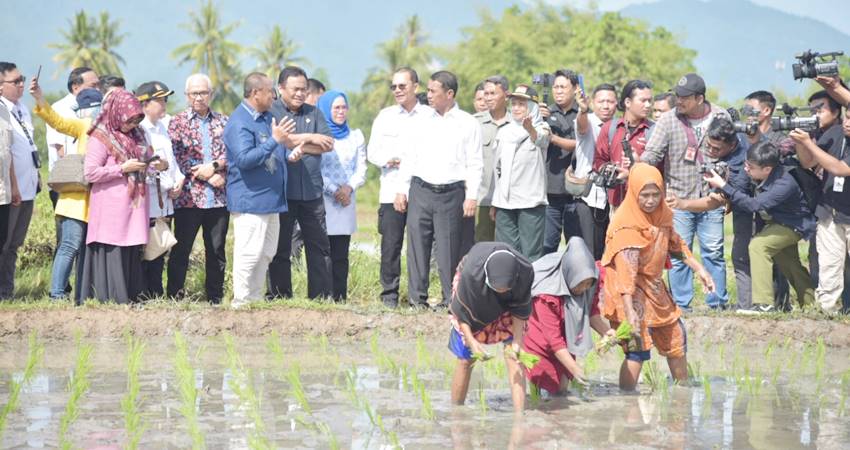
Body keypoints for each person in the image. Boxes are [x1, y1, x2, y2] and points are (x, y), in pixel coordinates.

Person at [601, 163, 715, 391]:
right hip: (628, 292)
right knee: (637, 347)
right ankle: (627, 398)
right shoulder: (626, 226)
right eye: (644, 195)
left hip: (653, 286)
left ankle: (683, 391)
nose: (651, 200)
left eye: (656, 194)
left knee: (676, 336)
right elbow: (626, 275)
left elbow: (675, 244)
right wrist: (630, 312)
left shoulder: (662, 214)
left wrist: (699, 269)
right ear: (634, 192)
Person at [641, 73, 729, 310]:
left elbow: (733, 152)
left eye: (684, 97)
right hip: (677, 199)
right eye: (677, 96)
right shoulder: (668, 120)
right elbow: (652, 154)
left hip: (712, 198)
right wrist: (638, 169)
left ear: (700, 98)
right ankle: (682, 305)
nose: (678, 101)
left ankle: (717, 303)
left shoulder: (721, 116)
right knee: (679, 254)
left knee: (714, 252)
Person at [397, 70, 483, 308]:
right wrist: (401, 189)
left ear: (450, 93)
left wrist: (472, 196)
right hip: (420, 189)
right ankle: (417, 300)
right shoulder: (421, 120)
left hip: (451, 193)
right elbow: (409, 157)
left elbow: (475, 163)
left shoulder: (467, 123)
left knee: (449, 250)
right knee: (417, 246)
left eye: (433, 91)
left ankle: (450, 299)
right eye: (428, 90)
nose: (428, 95)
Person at [79, 88, 168, 303]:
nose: (132, 125)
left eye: (137, 120)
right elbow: (90, 173)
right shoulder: (101, 136)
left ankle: (132, 296)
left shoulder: (139, 134)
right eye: (129, 120)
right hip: (111, 207)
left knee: (132, 249)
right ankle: (112, 297)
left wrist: (159, 164)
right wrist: (122, 168)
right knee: (114, 248)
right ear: (116, 112)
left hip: (135, 205)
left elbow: (148, 159)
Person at [705, 141, 815, 312]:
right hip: (777, 223)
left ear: (767, 169)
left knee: (758, 246)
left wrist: (724, 185)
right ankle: (811, 306)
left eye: (751, 167)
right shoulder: (760, 173)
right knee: (790, 265)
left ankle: (764, 304)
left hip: (793, 225)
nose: (746, 169)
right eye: (746, 164)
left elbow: (754, 205)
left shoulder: (784, 183)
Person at [667, 117, 758, 311]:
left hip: (758, 208)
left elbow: (714, 201)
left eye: (716, 149)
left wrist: (683, 204)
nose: (710, 151)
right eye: (708, 145)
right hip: (743, 204)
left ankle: (746, 305)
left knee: (742, 255)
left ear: (732, 145)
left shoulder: (739, 167)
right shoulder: (737, 135)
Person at [224, 72, 296, 307]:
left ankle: (254, 299)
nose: (274, 96)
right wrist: (275, 140)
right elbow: (244, 159)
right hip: (251, 199)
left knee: (266, 253)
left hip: (271, 200)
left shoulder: (268, 117)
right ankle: (241, 301)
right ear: (255, 93)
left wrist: (289, 153)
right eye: (270, 91)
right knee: (249, 253)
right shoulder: (239, 122)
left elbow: (274, 150)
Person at [30, 77, 101, 302]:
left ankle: (84, 292)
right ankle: (57, 293)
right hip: (75, 200)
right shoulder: (84, 126)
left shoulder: (107, 130)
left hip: (96, 201)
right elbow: (57, 121)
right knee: (69, 246)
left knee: (87, 249)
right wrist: (40, 98)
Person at [268, 66, 335, 299]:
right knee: (280, 247)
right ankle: (279, 295)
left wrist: (299, 143)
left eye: (304, 89)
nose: (300, 94)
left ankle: (320, 297)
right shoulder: (272, 111)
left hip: (312, 191)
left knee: (319, 246)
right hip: (282, 192)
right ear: (281, 88)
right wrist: (310, 137)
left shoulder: (314, 113)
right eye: (295, 89)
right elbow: (277, 140)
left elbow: (328, 144)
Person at [367, 67, 432, 308]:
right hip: (390, 189)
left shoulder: (429, 116)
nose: (397, 90)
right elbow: (372, 152)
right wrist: (389, 159)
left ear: (416, 86)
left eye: (402, 86)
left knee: (420, 247)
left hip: (421, 190)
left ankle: (418, 298)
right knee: (390, 246)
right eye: (393, 86)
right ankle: (389, 297)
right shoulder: (385, 116)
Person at [448, 242, 534, 413]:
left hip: (509, 297)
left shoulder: (524, 272)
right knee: (466, 359)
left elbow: (520, 309)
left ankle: (520, 416)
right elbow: (462, 313)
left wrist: (517, 342)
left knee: (514, 356)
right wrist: (471, 341)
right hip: (475, 293)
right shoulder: (471, 275)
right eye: (497, 289)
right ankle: (456, 414)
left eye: (504, 289)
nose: (500, 292)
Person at [167, 73, 230, 304]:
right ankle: (174, 296)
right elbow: (177, 157)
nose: (199, 97)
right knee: (181, 250)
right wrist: (206, 175)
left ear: (211, 94)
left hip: (218, 199)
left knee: (216, 250)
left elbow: (232, 153)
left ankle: (215, 297)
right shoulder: (177, 122)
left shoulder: (224, 122)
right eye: (194, 93)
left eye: (203, 92)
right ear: (187, 95)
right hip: (188, 199)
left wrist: (218, 170)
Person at [523, 237, 614, 394]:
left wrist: (606, 332)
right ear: (568, 274)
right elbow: (554, 340)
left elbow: (590, 311)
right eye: (580, 284)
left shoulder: (591, 278)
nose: (584, 289)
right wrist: (575, 368)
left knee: (562, 388)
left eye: (588, 284)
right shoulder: (547, 295)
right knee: (542, 388)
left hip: (567, 335)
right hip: (540, 341)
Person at [791, 100, 849, 313]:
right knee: (829, 264)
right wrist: (801, 141)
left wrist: (809, 143)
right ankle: (826, 310)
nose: (848, 123)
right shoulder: (835, 132)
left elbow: (840, 169)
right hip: (829, 210)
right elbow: (808, 162)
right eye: (848, 117)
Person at [135, 81, 184, 298]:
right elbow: (148, 165)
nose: (164, 104)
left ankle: (156, 292)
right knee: (147, 251)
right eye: (160, 100)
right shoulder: (140, 130)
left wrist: (179, 180)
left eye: (165, 100)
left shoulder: (163, 126)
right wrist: (166, 180)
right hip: (149, 199)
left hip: (165, 200)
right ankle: (145, 294)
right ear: (144, 104)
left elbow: (171, 162)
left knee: (160, 247)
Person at [317, 90, 367, 301]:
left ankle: (340, 297)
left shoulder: (355, 136)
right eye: (336, 108)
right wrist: (334, 190)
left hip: (346, 201)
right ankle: (323, 296)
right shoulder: (319, 136)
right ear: (326, 110)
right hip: (324, 200)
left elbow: (361, 168)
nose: (341, 111)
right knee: (323, 252)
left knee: (341, 253)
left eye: (344, 107)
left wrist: (348, 188)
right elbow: (316, 169)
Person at [491, 85, 550, 260]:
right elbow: (498, 168)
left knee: (531, 254)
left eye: (522, 104)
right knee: (505, 252)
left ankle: (530, 280)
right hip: (504, 202)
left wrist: (530, 128)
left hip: (530, 202)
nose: (516, 108)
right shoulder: (504, 131)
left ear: (532, 107)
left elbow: (541, 140)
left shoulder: (542, 128)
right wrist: (495, 201)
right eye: (514, 104)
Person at [559, 83, 617, 259]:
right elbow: (582, 127)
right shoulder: (587, 120)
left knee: (607, 252)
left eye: (610, 101)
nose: (606, 106)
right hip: (588, 198)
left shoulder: (620, 125)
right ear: (592, 102)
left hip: (613, 199)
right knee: (587, 253)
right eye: (601, 101)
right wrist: (583, 110)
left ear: (617, 103)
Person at [0, 62, 40, 299]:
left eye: (21, 79)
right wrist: (14, 186)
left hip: (28, 187)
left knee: (14, 244)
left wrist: (36, 176)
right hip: (10, 190)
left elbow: (29, 146)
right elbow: (6, 153)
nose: (21, 84)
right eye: (15, 81)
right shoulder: (2, 111)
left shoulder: (22, 108)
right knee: (4, 243)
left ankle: (7, 291)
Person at [594, 80, 654, 209]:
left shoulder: (655, 130)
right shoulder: (610, 128)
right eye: (643, 100)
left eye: (650, 100)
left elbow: (660, 168)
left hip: (647, 204)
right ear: (627, 102)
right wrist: (608, 170)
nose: (648, 105)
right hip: (617, 203)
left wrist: (636, 169)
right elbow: (599, 160)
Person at [46, 67, 99, 209]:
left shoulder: (97, 107)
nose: (98, 89)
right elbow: (61, 150)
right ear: (75, 87)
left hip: (90, 178)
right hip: (67, 181)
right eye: (93, 85)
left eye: (98, 85)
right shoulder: (60, 108)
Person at [541, 70, 581, 254]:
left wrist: (553, 138)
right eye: (555, 87)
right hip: (550, 191)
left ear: (575, 88)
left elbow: (580, 144)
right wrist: (537, 120)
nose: (558, 91)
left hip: (577, 192)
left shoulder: (583, 115)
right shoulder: (545, 112)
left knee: (577, 246)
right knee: (547, 245)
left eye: (563, 87)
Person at [473, 75, 511, 242]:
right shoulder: (475, 123)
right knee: (481, 246)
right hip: (482, 199)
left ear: (506, 95)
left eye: (492, 93)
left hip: (510, 200)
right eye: (486, 94)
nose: (488, 98)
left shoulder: (517, 123)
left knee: (508, 247)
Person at [0, 88, 20, 266]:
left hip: (3, 192)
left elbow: (8, 151)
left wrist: (14, 186)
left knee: (2, 241)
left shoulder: (4, 110)